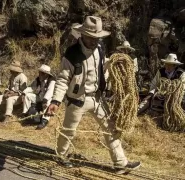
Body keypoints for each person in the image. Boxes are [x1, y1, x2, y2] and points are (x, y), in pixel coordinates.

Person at [46, 16, 140, 174]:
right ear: (82, 35)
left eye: (97, 37)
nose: (94, 41)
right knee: (69, 130)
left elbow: (101, 69)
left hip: (97, 98)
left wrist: (114, 65)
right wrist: (56, 101)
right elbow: (62, 79)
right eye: (91, 37)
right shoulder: (72, 53)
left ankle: (120, 163)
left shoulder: (100, 49)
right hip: (77, 99)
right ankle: (61, 155)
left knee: (111, 128)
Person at [22, 64, 55, 130]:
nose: (40, 74)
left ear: (46, 74)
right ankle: (26, 114)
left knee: (48, 103)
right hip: (40, 97)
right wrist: (23, 93)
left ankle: (44, 121)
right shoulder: (38, 79)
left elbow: (50, 92)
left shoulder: (52, 81)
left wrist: (45, 101)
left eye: (42, 73)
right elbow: (31, 88)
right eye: (40, 72)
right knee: (28, 96)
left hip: (49, 98)